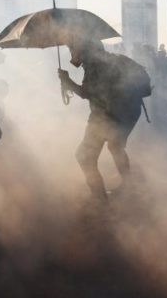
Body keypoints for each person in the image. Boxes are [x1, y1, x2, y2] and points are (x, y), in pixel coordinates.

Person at [58, 37, 152, 200]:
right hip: (128, 112)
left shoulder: (95, 65)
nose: (72, 54)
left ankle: (99, 199)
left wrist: (67, 81)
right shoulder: (116, 60)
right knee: (115, 147)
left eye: (73, 50)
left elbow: (87, 93)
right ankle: (129, 186)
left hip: (107, 116)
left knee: (84, 155)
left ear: (84, 50)